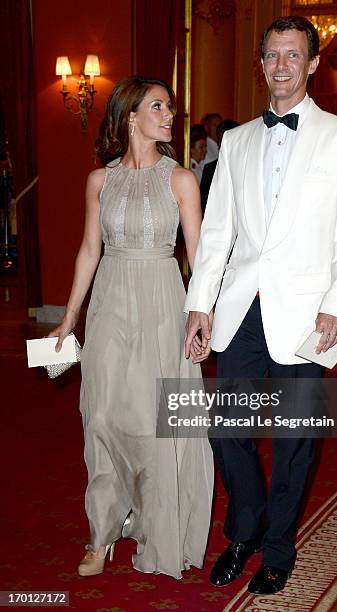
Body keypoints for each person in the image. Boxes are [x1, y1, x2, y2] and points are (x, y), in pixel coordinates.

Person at [185, 15, 337, 595]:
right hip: (241, 310)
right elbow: (217, 234)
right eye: (272, 55)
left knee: (294, 441)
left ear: (313, 63)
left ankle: (277, 548)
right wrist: (200, 305)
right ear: (261, 64)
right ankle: (244, 529)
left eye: (293, 55)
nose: (282, 66)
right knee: (227, 430)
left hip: (306, 312)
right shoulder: (237, 141)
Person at [48, 76, 213, 580]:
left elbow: (200, 255)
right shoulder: (100, 180)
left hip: (163, 298)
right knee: (101, 417)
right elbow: (88, 250)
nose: (169, 116)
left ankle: (155, 527)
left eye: (170, 108)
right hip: (110, 304)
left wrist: (200, 315)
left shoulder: (180, 179)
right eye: (158, 106)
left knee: (154, 425)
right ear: (130, 117)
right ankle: (102, 533)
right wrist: (70, 316)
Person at [200, 119, 240, 211]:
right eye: (220, 143)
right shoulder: (210, 169)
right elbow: (204, 204)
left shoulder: (250, 168)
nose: (221, 147)